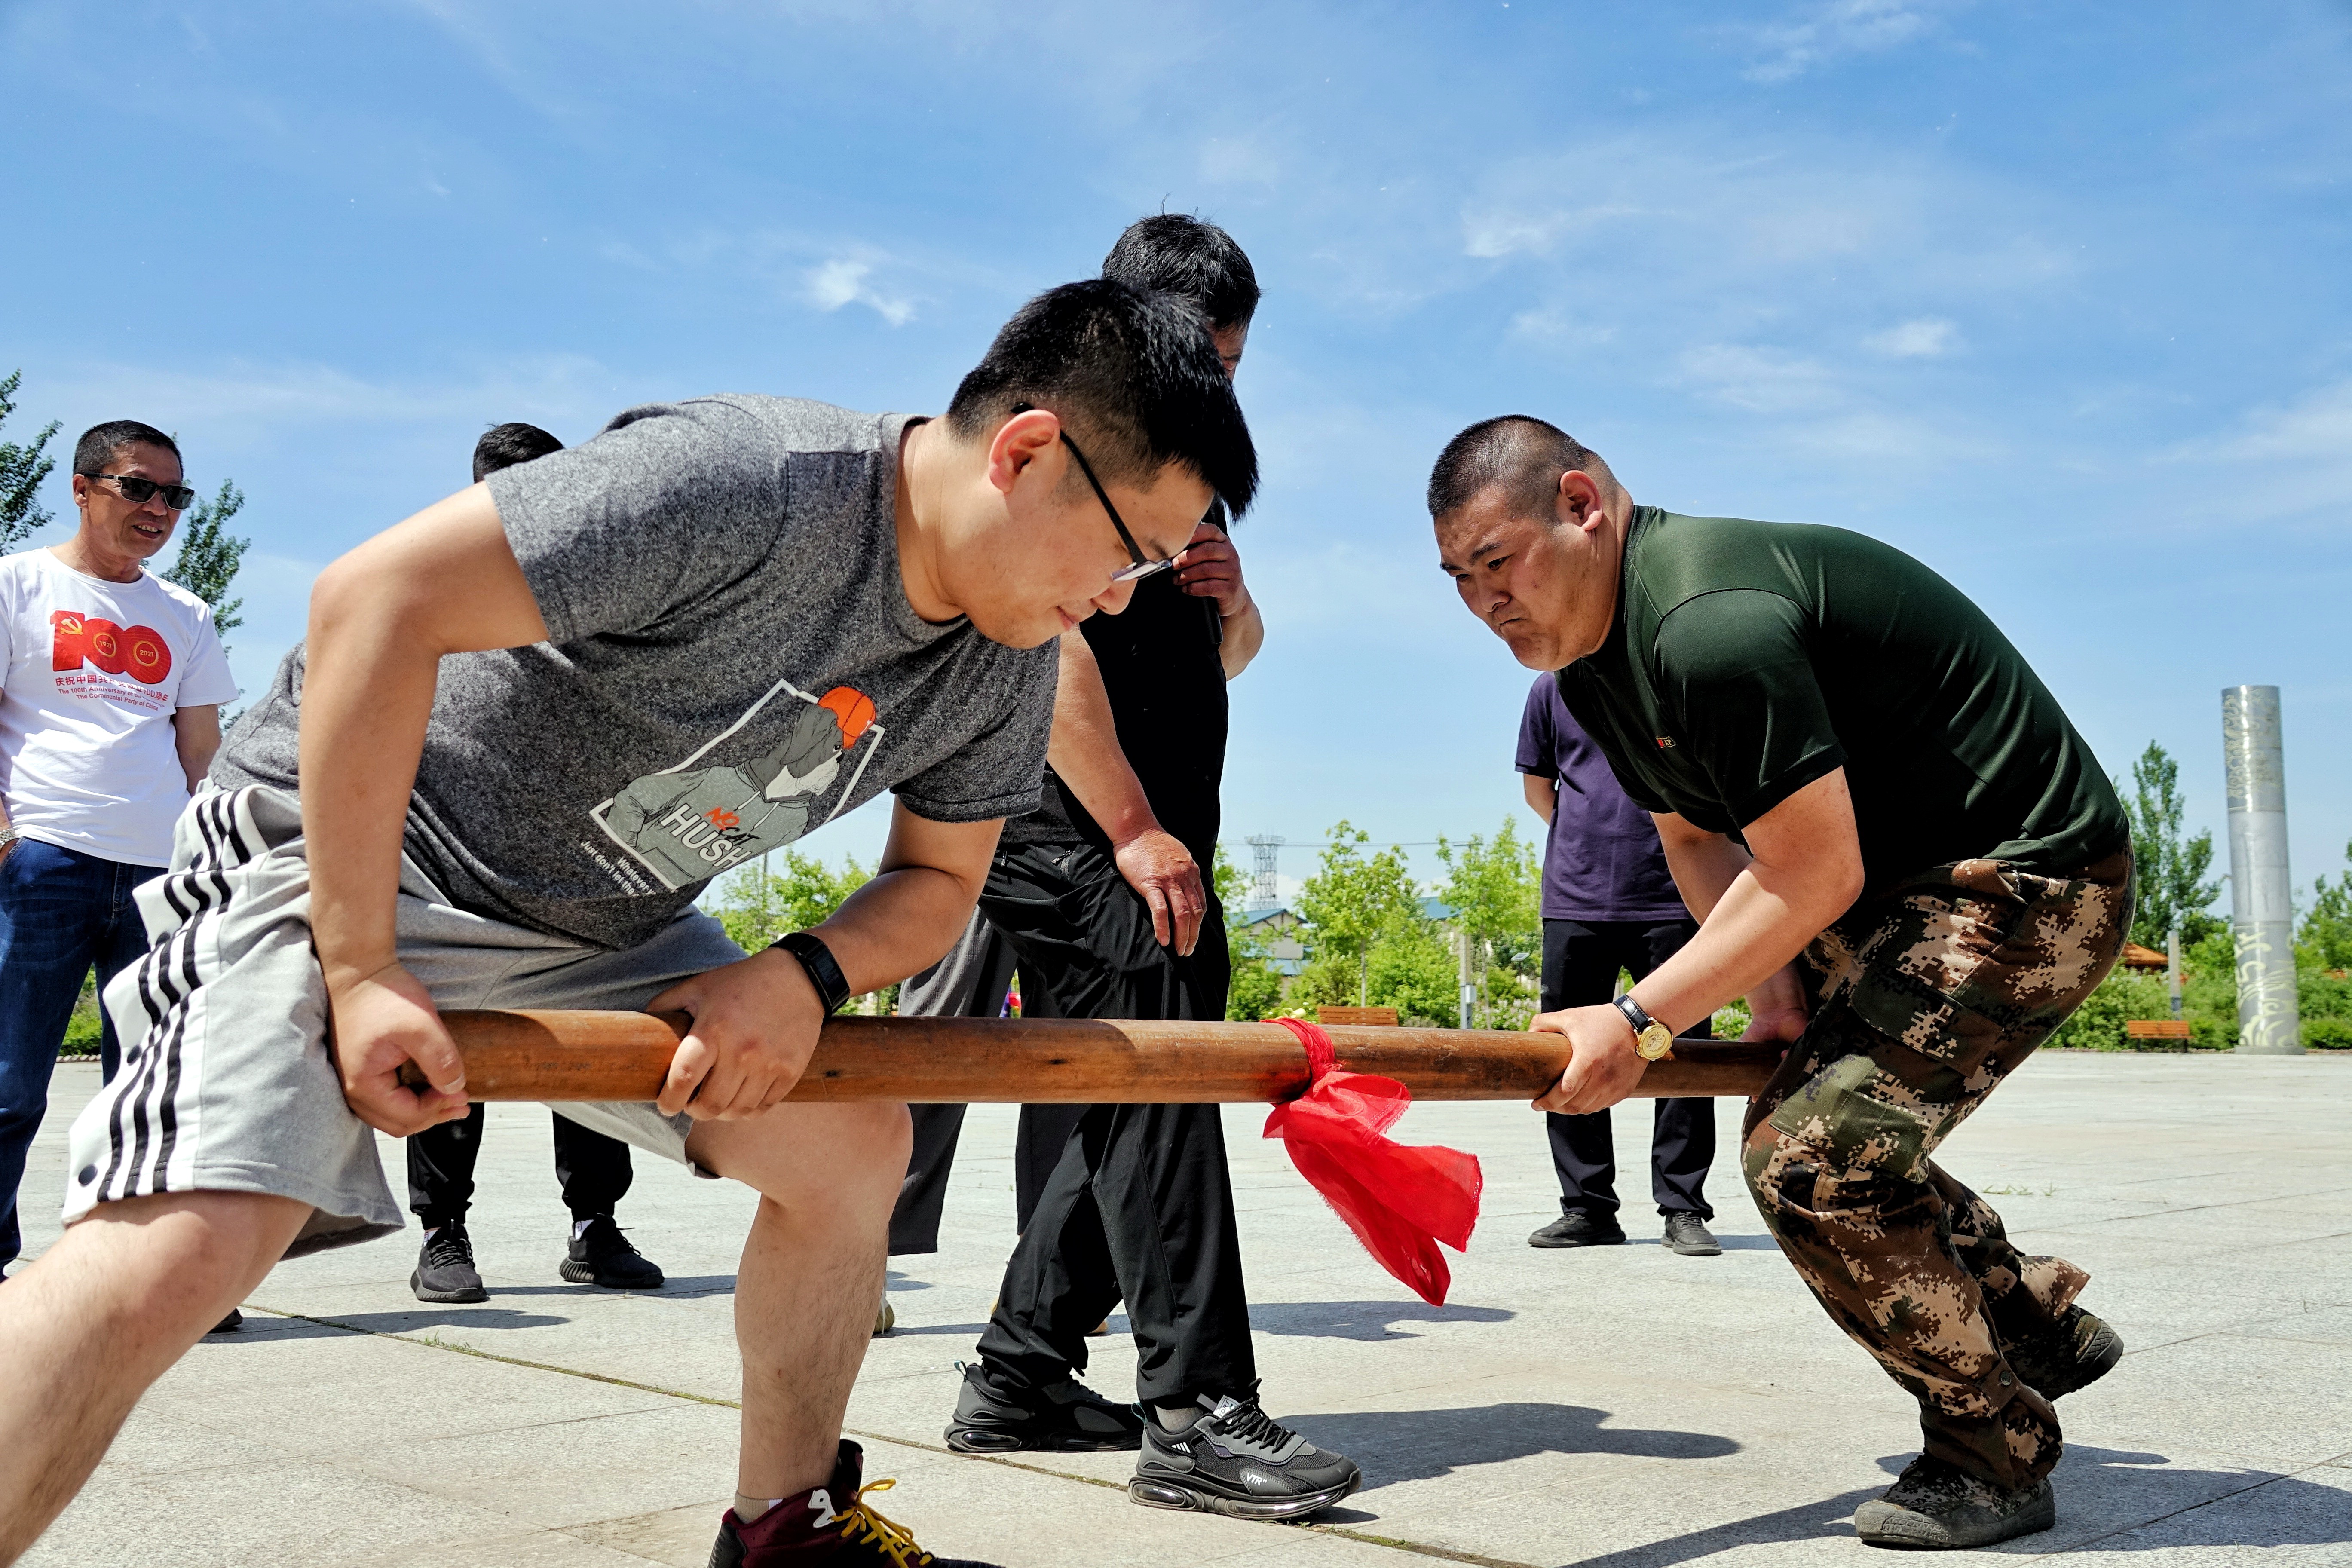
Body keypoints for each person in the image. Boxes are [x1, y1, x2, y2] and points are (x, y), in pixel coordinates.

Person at [0, 279, 1255, 1568]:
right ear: (1028, 451)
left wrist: (805, 973)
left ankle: (785, 1532)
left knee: (851, 1149)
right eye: (1126, 552)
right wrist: (363, 962)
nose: (1120, 599)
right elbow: (372, 600)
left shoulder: (1009, 658)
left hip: (613, 924)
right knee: (194, 1241)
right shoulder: (749, 482)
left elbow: (936, 885)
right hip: (355, 853)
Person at [1429, 415, 2132, 1551]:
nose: (1484, 600)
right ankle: (2023, 1312)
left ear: (1582, 504)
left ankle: (1994, 1450)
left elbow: (1813, 866)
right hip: (1900, 890)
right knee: (1819, 1123)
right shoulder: (1593, 659)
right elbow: (1693, 834)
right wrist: (1768, 992)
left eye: (1498, 562)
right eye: (1459, 578)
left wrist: (1638, 1019)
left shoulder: (1708, 625)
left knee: (1809, 1161)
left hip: (2027, 879)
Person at [926, 215, 1361, 1525]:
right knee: (1160, 1088)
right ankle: (1195, 1414)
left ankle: (1019, 1374)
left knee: (1143, 1091)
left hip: (1161, 833)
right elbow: (1037, 654)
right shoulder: (1067, 433)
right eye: (1215, 359)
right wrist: (1129, 828)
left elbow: (1217, 666)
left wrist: (1230, 603)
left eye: (1236, 362)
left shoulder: (1188, 470)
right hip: (1073, 825)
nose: (1228, 382)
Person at [403, 423, 663, 1305]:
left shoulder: (601, 604)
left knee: (588, 1048)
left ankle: (595, 1227)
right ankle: (443, 1232)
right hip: (461, 869)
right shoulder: (438, 596)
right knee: (450, 1053)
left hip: (579, 868)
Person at [0, 422, 238, 1333]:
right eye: (140, 489)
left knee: (151, 1093)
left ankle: (145, 1283)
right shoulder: (18, 585)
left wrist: (209, 863)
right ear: (83, 488)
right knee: (11, 1084)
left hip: (158, 875)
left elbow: (201, 751)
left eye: (175, 497)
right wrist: (7, 841)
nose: (159, 512)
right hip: (45, 862)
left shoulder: (186, 614)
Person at [1516, 674, 1721, 1257]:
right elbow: (1540, 790)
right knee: (1564, 1055)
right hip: (1576, 898)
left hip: (1673, 893)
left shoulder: (1674, 678)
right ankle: (1586, 1208)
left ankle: (1683, 1206)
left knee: (1680, 1049)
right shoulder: (1550, 689)